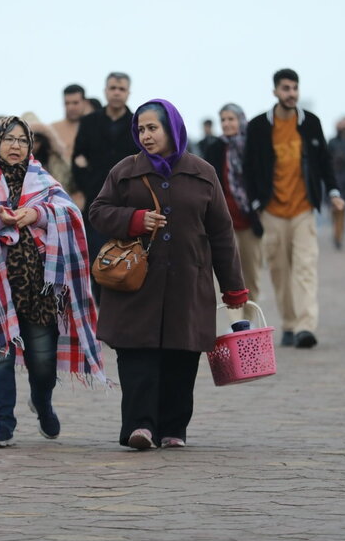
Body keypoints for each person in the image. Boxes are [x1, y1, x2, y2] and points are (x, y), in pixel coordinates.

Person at [90, 99, 247, 450]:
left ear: (172, 129)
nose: (145, 136)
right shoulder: (125, 171)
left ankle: (174, 428)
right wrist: (133, 220)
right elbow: (98, 211)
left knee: (181, 358)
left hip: (187, 285)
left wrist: (234, 286)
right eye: (141, 129)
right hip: (135, 286)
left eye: (152, 128)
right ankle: (140, 427)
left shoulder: (203, 173)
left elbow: (222, 233)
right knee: (137, 358)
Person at [0, 116, 108, 448]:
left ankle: (42, 403)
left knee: (42, 361)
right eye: (9, 139)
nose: (15, 146)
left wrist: (37, 215)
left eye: (22, 140)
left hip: (39, 288)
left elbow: (69, 213)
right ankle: (3, 425)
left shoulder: (42, 180)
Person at [244, 69, 344, 349]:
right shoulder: (258, 127)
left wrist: (334, 192)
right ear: (275, 92)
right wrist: (255, 204)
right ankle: (288, 323)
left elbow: (325, 161)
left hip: (303, 209)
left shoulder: (310, 123)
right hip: (272, 210)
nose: (291, 93)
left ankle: (305, 326)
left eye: (295, 88)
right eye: (285, 88)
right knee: (279, 271)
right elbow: (249, 169)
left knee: (305, 267)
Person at [72, 72, 139, 300]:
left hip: (128, 204)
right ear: (105, 91)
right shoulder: (90, 122)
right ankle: (102, 310)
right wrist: (88, 182)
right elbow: (78, 158)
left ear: (128, 92)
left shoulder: (137, 123)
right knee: (97, 260)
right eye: (113, 88)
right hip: (96, 202)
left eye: (121, 88)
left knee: (128, 260)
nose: (117, 92)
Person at [203, 103, 263, 322]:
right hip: (223, 223)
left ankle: (251, 320)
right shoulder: (214, 148)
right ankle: (236, 323)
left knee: (251, 274)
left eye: (231, 119)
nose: (227, 124)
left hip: (249, 220)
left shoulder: (252, 146)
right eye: (224, 120)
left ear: (241, 120)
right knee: (227, 275)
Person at [326, 117, 345, 250]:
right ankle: (337, 234)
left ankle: (339, 235)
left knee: (343, 210)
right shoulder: (332, 142)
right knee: (335, 211)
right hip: (335, 180)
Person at [50, 84, 89, 163]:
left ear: (85, 103)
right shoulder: (53, 129)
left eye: (75, 103)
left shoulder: (94, 127)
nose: (70, 107)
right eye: (67, 103)